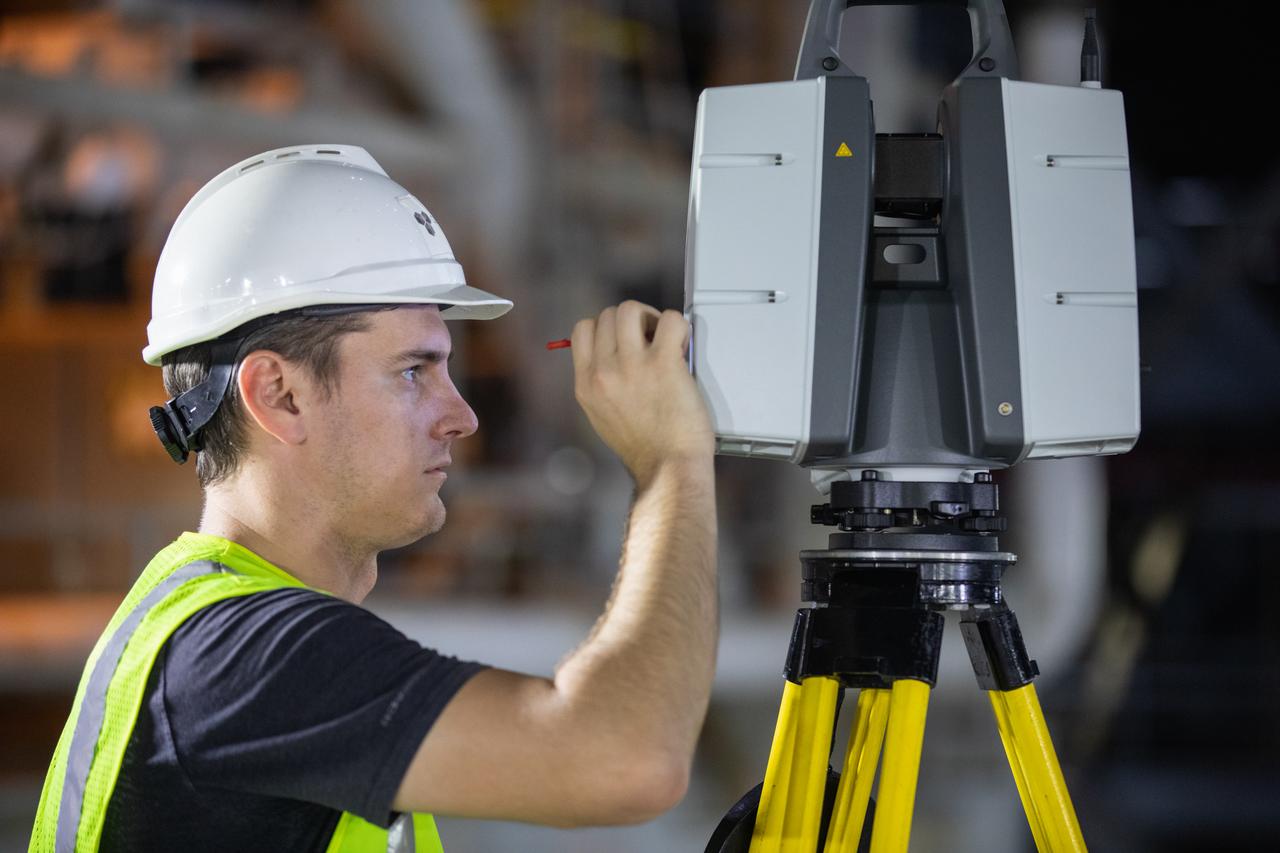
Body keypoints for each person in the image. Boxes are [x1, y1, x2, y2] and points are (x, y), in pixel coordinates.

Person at [29, 145, 718, 853]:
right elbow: (624, 759)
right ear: (279, 395)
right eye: (414, 370)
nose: (462, 416)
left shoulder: (221, 636)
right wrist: (672, 461)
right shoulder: (242, 656)